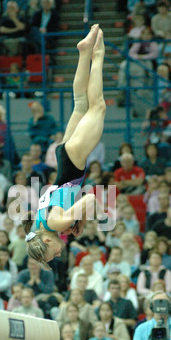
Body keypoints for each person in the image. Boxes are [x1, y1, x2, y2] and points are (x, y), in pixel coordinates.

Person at [22, 25, 106, 269]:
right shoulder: (40, 222)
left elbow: (90, 199)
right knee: (80, 103)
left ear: (47, 240)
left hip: (73, 162)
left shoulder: (55, 225)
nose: (59, 254)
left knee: (97, 106)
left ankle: (97, 54)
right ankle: (84, 52)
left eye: (53, 254)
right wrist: (75, 220)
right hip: (64, 159)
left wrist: (79, 219)